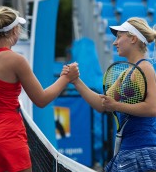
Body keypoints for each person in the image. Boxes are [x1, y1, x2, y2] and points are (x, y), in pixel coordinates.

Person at [0, 6, 79, 172]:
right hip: (8, 139)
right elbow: (41, 99)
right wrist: (66, 78)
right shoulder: (16, 60)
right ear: (15, 31)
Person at [62, 17, 156, 172]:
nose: (114, 42)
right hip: (129, 150)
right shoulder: (126, 73)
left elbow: (153, 108)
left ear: (133, 38)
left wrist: (117, 105)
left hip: (143, 150)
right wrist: (76, 81)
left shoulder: (145, 68)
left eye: (119, 37)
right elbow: (101, 104)